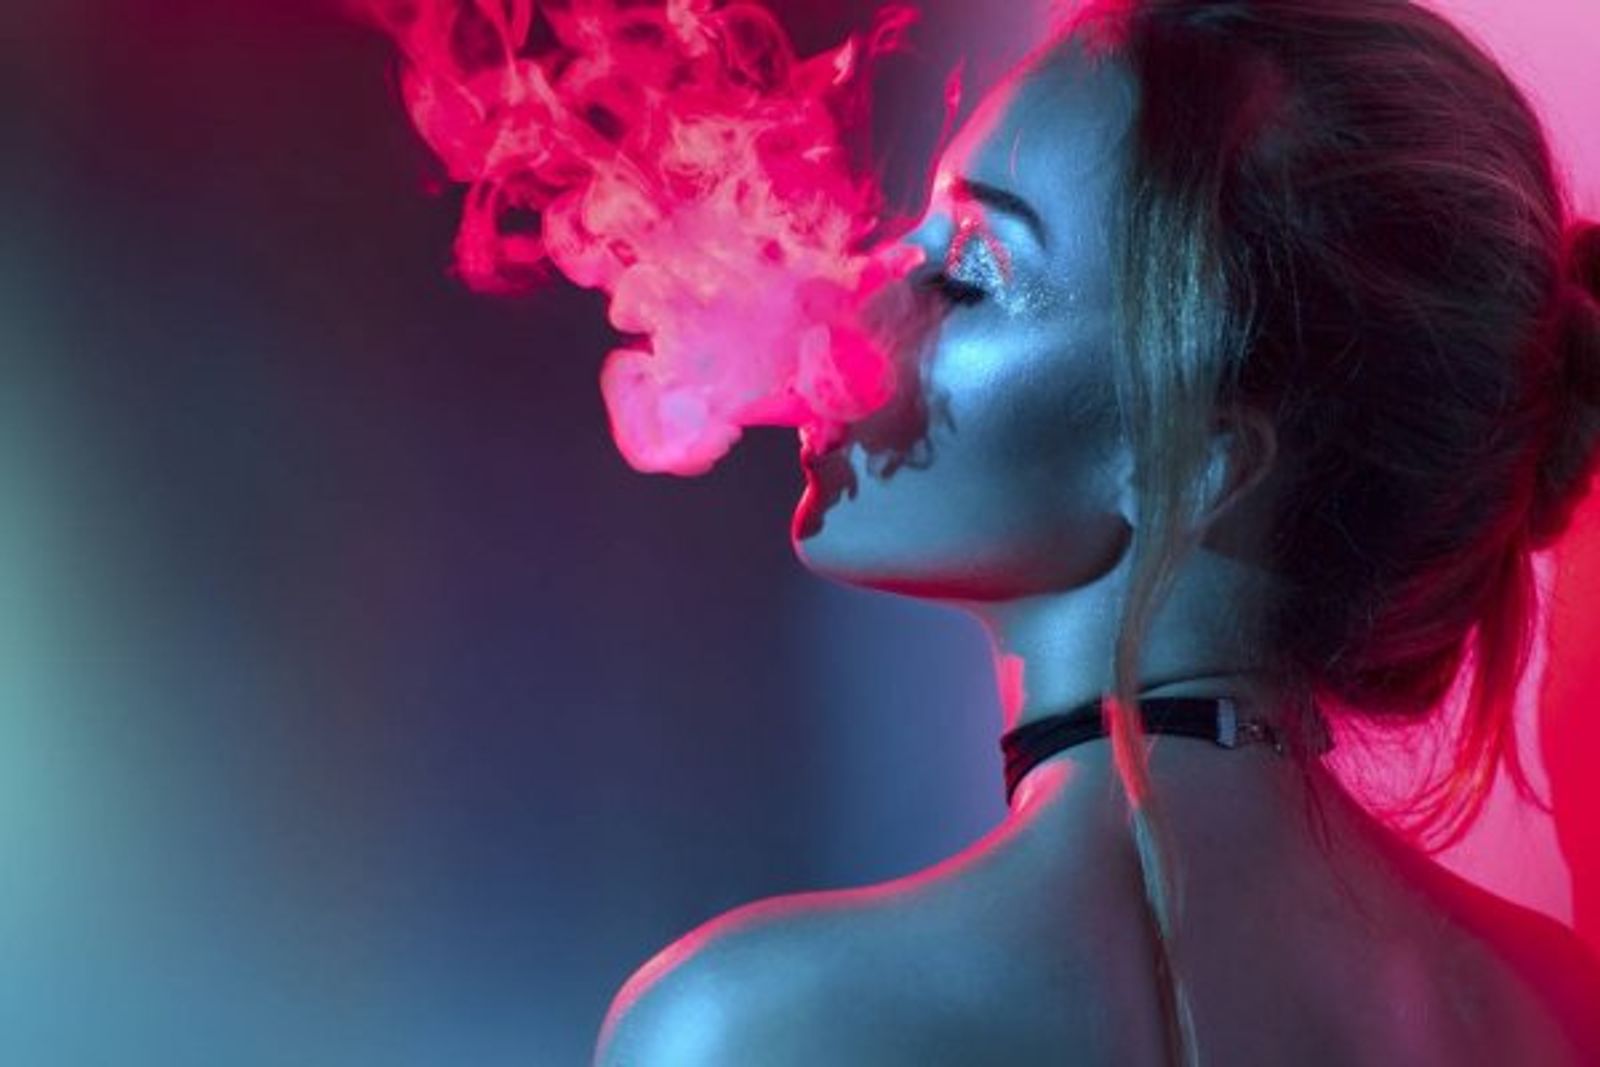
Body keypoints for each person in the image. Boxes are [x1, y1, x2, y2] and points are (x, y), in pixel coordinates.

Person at [594, 1, 1600, 1063]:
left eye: (968, 273)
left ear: (1202, 453)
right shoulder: (1555, 1002)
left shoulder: (755, 1026)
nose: (848, 302)